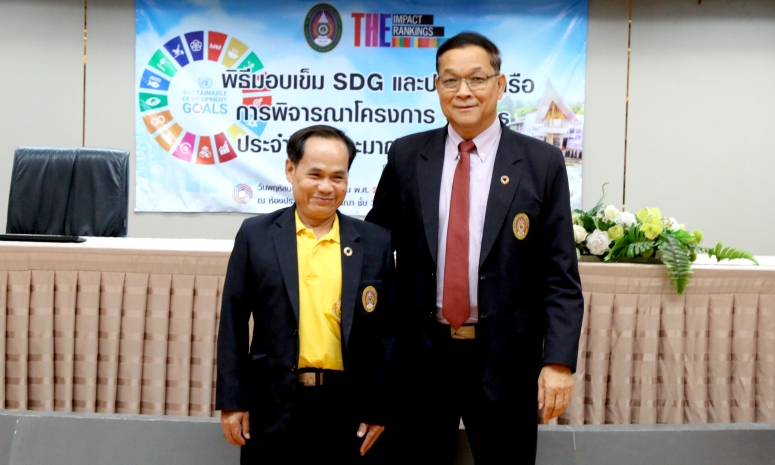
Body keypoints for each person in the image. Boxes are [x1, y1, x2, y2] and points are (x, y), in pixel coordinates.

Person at [366, 32, 584, 463]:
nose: (463, 91)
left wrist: (558, 361)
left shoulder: (541, 163)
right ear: (437, 87)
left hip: (506, 357)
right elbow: (375, 246)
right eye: (450, 80)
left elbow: (560, 273)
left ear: (499, 86)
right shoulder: (407, 155)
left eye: (477, 79)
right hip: (422, 357)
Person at [216, 125, 395, 464]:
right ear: (291, 170)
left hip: (348, 410)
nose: (326, 187)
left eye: (338, 177)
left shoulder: (375, 242)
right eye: (315, 174)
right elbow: (233, 321)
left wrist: (379, 407)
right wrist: (232, 401)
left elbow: (386, 334)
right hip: (272, 405)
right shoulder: (257, 235)